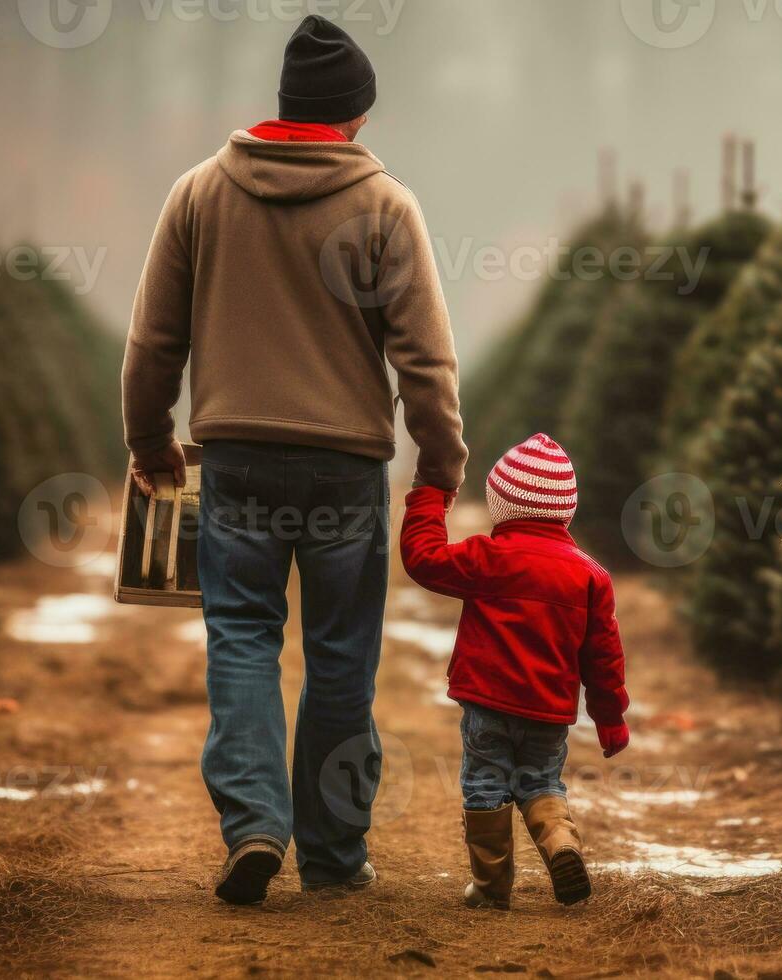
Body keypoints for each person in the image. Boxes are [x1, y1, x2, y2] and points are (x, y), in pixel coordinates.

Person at [120, 15, 466, 905]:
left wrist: (150, 438)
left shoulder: (199, 192)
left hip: (234, 458)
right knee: (342, 658)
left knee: (240, 639)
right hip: (347, 469)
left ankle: (254, 828)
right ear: (353, 117)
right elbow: (424, 358)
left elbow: (153, 339)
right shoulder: (386, 206)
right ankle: (335, 854)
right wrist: (441, 464)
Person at [398, 433, 629, 908]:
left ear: (501, 505)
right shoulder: (589, 575)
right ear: (566, 509)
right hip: (549, 713)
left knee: (485, 784)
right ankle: (561, 844)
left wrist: (429, 498)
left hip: (487, 705)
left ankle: (490, 888)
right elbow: (603, 657)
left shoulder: (488, 558)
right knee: (541, 784)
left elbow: (423, 560)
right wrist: (610, 718)